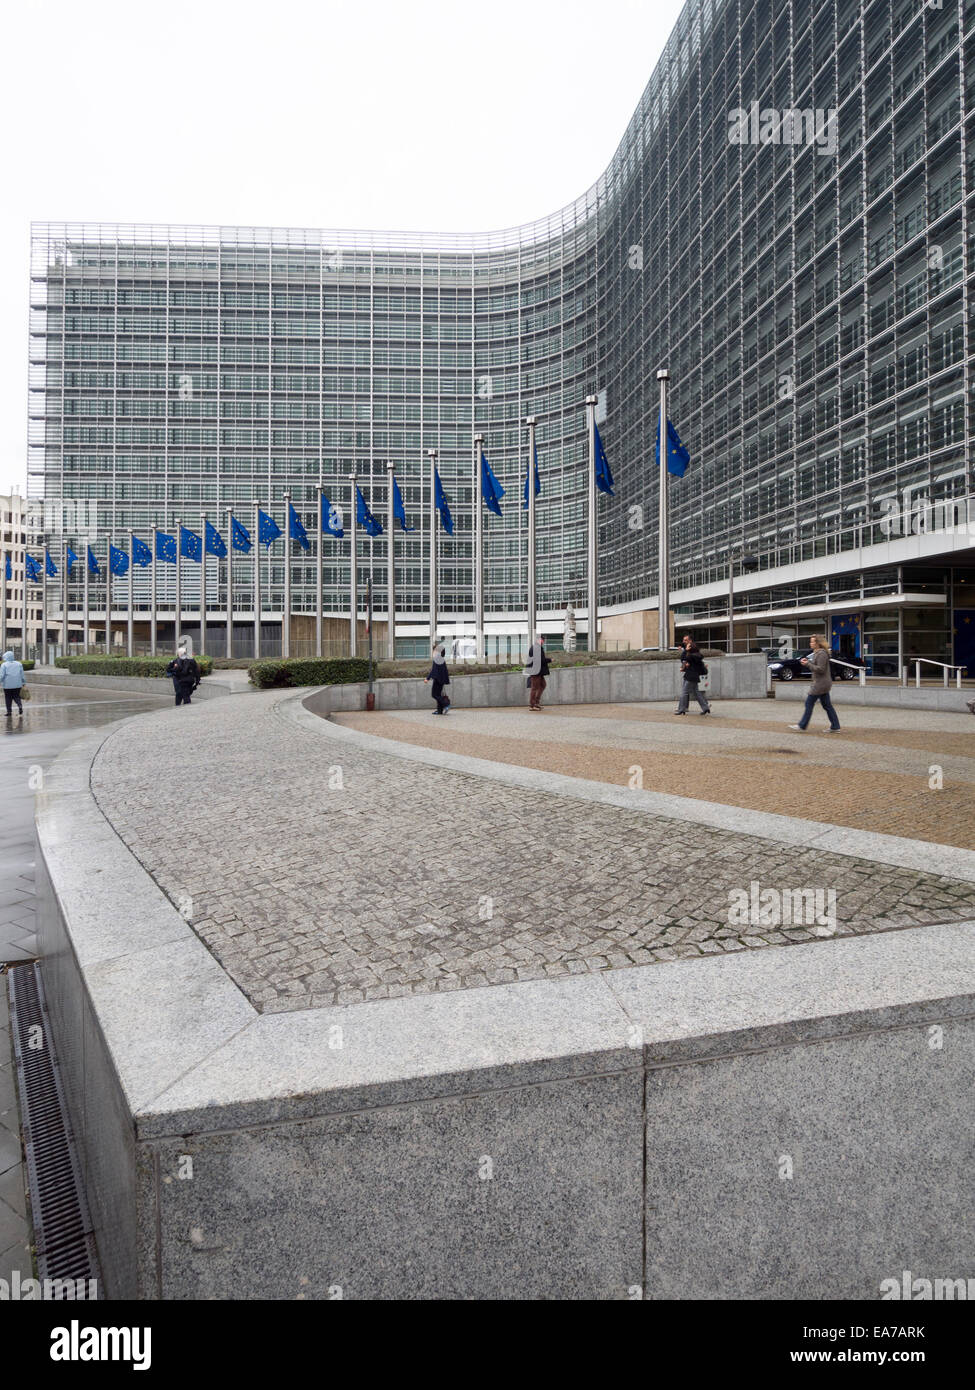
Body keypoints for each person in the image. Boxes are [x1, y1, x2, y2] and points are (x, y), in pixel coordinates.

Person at [789, 634, 840, 732]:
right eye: (811, 641)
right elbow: (817, 666)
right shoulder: (818, 653)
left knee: (809, 703)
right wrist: (807, 662)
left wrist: (807, 664)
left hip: (820, 684)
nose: (810, 643)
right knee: (827, 705)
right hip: (823, 683)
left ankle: (802, 725)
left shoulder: (821, 654)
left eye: (812, 641)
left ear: (818, 643)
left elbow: (820, 669)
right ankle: (835, 726)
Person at [674, 636, 710, 715]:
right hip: (694, 676)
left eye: (687, 645)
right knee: (697, 693)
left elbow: (683, 658)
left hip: (690, 676)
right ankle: (706, 707)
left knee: (684, 692)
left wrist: (685, 651)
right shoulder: (697, 655)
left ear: (691, 648)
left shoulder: (691, 656)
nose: (685, 643)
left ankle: (681, 709)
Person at [525, 632, 550, 710]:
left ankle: (536, 703)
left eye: (543, 640)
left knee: (543, 685)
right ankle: (532, 705)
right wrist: (550, 660)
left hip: (539, 671)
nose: (543, 641)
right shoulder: (536, 648)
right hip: (535, 671)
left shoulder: (537, 647)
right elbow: (540, 660)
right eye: (542, 640)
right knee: (534, 688)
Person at [425, 641, 451, 714]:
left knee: (434, 695)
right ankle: (439, 710)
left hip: (438, 679)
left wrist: (427, 678)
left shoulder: (437, 658)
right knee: (438, 695)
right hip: (441, 679)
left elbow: (433, 670)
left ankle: (446, 704)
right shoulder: (441, 658)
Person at [1, 650, 25, 717]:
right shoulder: (19, 664)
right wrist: (23, 682)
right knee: (17, 696)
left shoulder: (4, 665)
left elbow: (2, 675)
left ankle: (9, 712)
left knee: (8, 698)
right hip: (17, 684)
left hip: (7, 685)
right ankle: (19, 705)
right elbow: (22, 674)